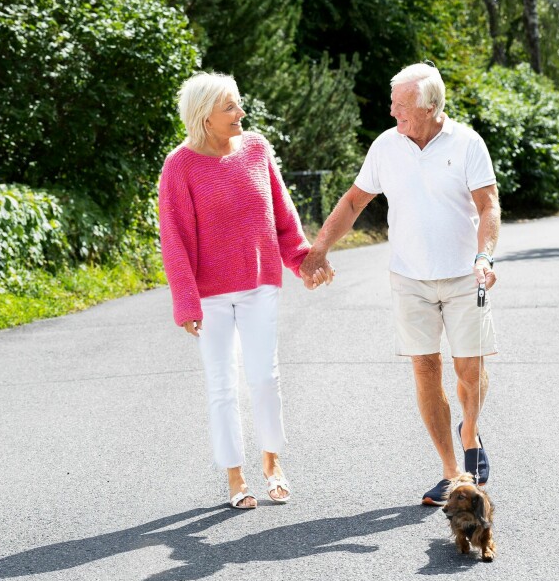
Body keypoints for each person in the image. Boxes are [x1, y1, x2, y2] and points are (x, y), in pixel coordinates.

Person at [300, 62, 500, 505]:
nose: (393, 114)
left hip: (466, 276)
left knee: (470, 370)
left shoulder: (467, 143)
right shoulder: (386, 147)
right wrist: (318, 251)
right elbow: (354, 201)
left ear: (430, 106)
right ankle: (453, 475)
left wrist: (485, 255)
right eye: (393, 105)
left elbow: (488, 205)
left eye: (402, 106)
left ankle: (470, 431)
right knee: (425, 368)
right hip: (409, 278)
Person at [158, 72, 333, 510]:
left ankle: (272, 463)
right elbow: (174, 238)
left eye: (238, 104)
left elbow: (282, 214)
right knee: (222, 384)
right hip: (210, 293)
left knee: (264, 376)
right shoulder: (179, 165)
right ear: (204, 117)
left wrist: (305, 260)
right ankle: (235, 477)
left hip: (259, 285)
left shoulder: (256, 149)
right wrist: (186, 301)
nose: (240, 113)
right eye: (230, 107)